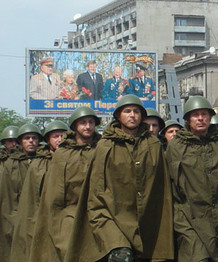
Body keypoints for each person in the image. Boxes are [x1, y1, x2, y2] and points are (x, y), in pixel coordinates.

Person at [65, 94, 174, 262]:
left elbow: (162, 186)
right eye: (127, 111)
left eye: (136, 111)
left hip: (146, 218)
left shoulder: (152, 144)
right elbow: (96, 189)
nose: (132, 115)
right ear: (118, 116)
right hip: (112, 217)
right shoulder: (106, 145)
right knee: (122, 256)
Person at [28, 106, 102, 262]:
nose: (88, 126)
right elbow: (55, 193)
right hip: (68, 214)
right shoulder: (63, 153)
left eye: (91, 122)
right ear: (75, 126)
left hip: (97, 213)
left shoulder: (102, 149)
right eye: (83, 123)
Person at [166, 95, 218, 262]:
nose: (201, 119)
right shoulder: (177, 146)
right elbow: (170, 182)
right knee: (198, 257)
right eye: (195, 115)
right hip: (188, 216)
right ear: (188, 119)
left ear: (210, 117)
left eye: (204, 114)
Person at [10, 120, 66, 260]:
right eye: (55, 136)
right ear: (48, 140)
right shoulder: (38, 164)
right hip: (41, 216)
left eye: (62, 136)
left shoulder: (72, 160)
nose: (59, 140)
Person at [0, 123, 44, 259]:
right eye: (27, 138)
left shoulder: (45, 161)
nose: (31, 141)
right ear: (21, 141)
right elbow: (7, 197)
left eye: (34, 138)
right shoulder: (11, 164)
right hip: (16, 215)